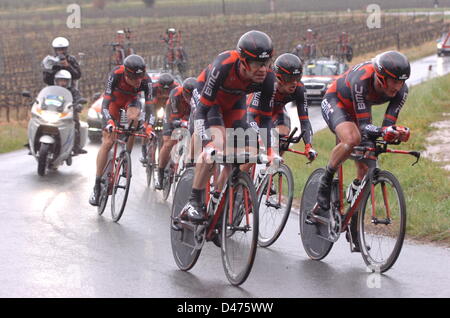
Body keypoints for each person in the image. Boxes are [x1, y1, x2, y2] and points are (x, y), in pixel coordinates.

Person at [317, 50, 411, 252]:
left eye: (401, 81)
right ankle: (326, 180)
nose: (397, 86)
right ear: (380, 76)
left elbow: (387, 125)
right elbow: (365, 125)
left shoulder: (402, 91)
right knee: (353, 139)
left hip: (358, 112)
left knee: (366, 164)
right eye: (393, 81)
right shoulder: (362, 80)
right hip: (336, 102)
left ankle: (353, 222)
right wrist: (383, 131)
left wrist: (395, 133)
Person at [179, 30, 277, 224]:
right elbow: (201, 111)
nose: (263, 69)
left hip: (234, 103)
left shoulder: (268, 79)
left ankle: (218, 197)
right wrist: (205, 142)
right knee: (217, 144)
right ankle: (193, 201)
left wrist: (271, 151)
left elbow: (265, 120)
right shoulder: (223, 65)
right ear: (243, 61)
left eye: (267, 64)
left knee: (248, 151)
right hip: (209, 102)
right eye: (258, 64)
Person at [89, 55, 153, 206]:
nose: (138, 82)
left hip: (131, 102)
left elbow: (150, 107)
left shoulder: (146, 80)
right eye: (134, 79)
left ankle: (126, 156)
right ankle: (97, 185)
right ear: (126, 75)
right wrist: (109, 122)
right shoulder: (116, 74)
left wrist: (148, 126)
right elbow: (105, 103)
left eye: (140, 78)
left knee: (134, 120)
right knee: (108, 141)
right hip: (114, 103)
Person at [247, 53, 317, 163]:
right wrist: (259, 135)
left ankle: (270, 171)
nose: (294, 83)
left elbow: (304, 121)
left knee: (284, 136)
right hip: (255, 112)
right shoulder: (267, 84)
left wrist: (308, 146)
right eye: (289, 78)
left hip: (276, 112)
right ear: (279, 78)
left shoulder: (299, 89)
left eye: (297, 78)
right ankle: (243, 177)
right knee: (252, 153)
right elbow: (250, 116)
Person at [154, 77, 196, 190]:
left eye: (192, 97)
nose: (189, 99)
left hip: (188, 116)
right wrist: (182, 123)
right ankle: (160, 174)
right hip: (173, 114)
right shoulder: (176, 93)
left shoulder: (198, 97)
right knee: (168, 143)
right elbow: (174, 119)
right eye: (187, 96)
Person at [140, 72, 179, 164]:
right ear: (159, 86)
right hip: (154, 106)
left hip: (168, 106)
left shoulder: (176, 87)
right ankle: (144, 149)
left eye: (167, 90)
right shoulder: (153, 88)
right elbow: (150, 106)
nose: (165, 92)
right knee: (146, 125)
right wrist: (151, 121)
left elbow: (177, 105)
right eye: (163, 89)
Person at [53, 70, 87, 155]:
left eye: (64, 80)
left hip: (68, 112)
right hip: (53, 112)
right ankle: (33, 142)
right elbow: (44, 97)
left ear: (69, 81)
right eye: (60, 80)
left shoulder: (73, 91)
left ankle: (76, 146)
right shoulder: (52, 90)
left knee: (75, 123)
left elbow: (78, 98)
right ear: (56, 81)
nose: (62, 83)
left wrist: (78, 105)